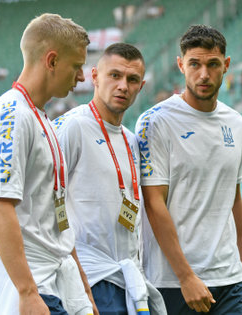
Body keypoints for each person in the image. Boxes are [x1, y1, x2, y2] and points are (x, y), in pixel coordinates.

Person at [0, 13, 96, 315]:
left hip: (54, 276)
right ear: (51, 61)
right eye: (77, 66)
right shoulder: (11, 115)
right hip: (27, 282)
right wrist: (26, 292)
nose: (81, 77)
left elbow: (56, 215)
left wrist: (83, 287)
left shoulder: (42, 118)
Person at [135, 24, 242, 314]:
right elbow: (154, 204)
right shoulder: (155, 123)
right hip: (172, 282)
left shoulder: (238, 124)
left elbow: (233, 197)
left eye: (213, 64)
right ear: (180, 65)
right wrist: (186, 276)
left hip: (229, 278)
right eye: (194, 64)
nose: (204, 74)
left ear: (225, 65)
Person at [54, 43, 166, 315]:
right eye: (114, 75)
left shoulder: (131, 140)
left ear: (141, 86)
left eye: (132, 79)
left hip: (125, 278)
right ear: (94, 76)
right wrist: (72, 267)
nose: (123, 86)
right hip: (90, 278)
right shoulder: (73, 127)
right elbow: (50, 200)